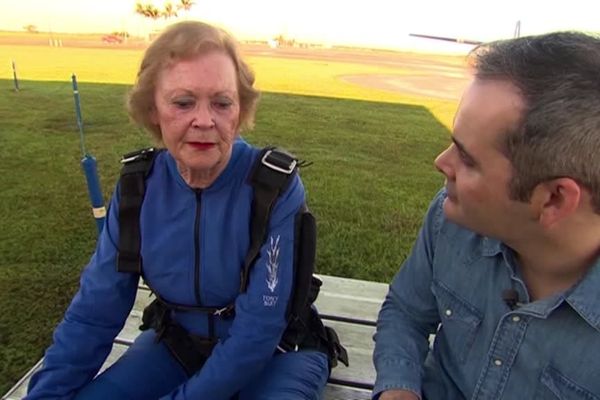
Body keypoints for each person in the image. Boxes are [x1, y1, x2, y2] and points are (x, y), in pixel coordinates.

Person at [26, 21, 335, 400]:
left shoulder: (273, 186)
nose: (204, 121)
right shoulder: (138, 188)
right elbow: (95, 310)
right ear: (153, 109)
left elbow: (259, 328)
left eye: (222, 103)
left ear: (240, 110)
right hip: (178, 346)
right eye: (183, 102)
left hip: (278, 353)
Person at [373, 31, 600, 400]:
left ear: (554, 199)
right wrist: (399, 389)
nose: (441, 163)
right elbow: (406, 310)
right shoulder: (452, 221)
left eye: (467, 158)